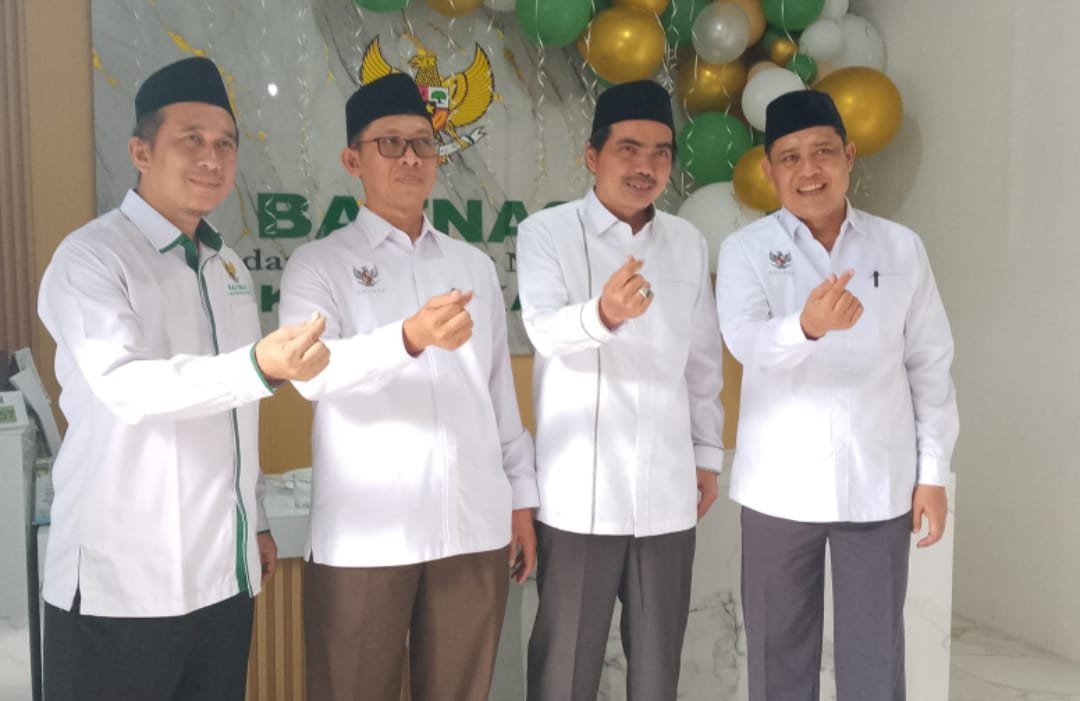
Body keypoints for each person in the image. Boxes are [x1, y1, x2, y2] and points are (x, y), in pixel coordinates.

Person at [37, 56, 329, 701]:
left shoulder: (227, 266)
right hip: (122, 586)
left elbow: (236, 418)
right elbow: (127, 386)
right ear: (141, 151)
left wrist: (254, 519)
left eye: (225, 143)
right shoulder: (91, 257)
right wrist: (257, 366)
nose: (211, 158)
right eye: (190, 139)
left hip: (220, 578)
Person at [278, 72, 538, 701]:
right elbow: (313, 374)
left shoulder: (471, 264)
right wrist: (408, 338)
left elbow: (497, 396)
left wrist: (520, 499)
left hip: (471, 528)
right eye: (389, 143)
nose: (411, 158)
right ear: (353, 160)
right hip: (369, 533)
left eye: (423, 143)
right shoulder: (319, 265)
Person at [715, 89, 959, 701]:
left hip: (878, 482)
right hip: (778, 488)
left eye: (823, 151)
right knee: (776, 653)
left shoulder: (900, 247)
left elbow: (930, 363)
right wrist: (806, 326)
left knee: (876, 655)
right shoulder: (745, 251)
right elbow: (744, 341)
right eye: (790, 157)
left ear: (849, 156)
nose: (809, 170)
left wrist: (933, 474)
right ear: (769, 171)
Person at [517, 79, 725, 701]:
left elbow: (702, 361)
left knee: (658, 665)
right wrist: (602, 314)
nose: (645, 166)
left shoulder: (686, 243)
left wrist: (706, 454)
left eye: (661, 152)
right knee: (565, 666)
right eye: (628, 148)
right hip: (579, 490)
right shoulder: (547, 232)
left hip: (666, 487)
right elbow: (544, 329)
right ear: (593, 155)